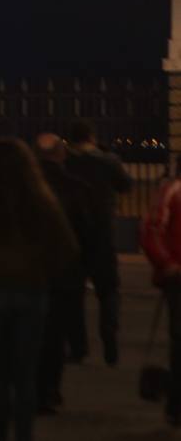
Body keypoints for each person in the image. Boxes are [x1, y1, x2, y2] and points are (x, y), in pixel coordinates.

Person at [0, 138, 78, 441]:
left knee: (0, 374)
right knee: (25, 374)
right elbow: (67, 248)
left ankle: (0, 434)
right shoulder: (43, 202)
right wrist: (43, 269)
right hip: (31, 290)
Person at [32, 133, 100, 414]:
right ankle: (50, 390)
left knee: (32, 333)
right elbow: (88, 236)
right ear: (61, 154)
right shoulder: (77, 188)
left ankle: (30, 387)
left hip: (30, 272)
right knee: (55, 335)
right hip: (65, 273)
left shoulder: (25, 189)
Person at [64, 119, 130, 365]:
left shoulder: (66, 162)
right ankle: (109, 339)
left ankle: (78, 346)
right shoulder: (108, 161)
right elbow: (126, 185)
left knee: (73, 294)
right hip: (103, 233)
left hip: (73, 234)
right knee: (108, 290)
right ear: (92, 137)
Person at [140, 154, 181, 426]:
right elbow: (152, 231)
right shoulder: (172, 191)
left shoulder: (170, 190)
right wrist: (168, 264)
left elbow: (152, 229)